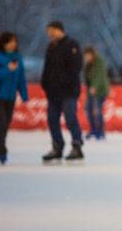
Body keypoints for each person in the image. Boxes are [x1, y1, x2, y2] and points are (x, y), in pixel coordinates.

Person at [40, 21, 84, 162]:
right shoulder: (51, 47)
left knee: (70, 118)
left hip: (68, 91)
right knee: (52, 120)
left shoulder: (72, 45)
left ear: (59, 30)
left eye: (52, 31)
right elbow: (47, 68)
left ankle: (77, 145)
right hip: (53, 92)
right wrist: (45, 83)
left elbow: (76, 67)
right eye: (48, 32)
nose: (50, 34)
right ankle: (57, 146)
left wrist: (66, 83)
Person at [0, 32, 28, 164]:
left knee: (6, 123)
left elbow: (21, 78)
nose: (13, 44)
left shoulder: (17, 57)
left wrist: (24, 94)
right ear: (3, 43)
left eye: (15, 41)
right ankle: (0, 148)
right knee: (1, 122)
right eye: (10, 41)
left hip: (10, 95)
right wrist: (8, 69)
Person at [83, 47, 110, 140]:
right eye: (85, 56)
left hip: (100, 91)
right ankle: (93, 129)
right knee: (88, 109)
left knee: (97, 111)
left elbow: (99, 75)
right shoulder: (87, 64)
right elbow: (86, 77)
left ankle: (100, 131)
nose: (86, 57)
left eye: (88, 55)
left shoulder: (99, 61)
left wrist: (94, 86)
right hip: (90, 90)